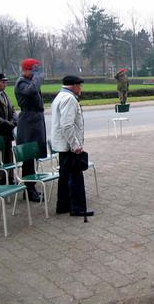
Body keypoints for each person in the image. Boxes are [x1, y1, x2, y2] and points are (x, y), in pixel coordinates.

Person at [51, 75, 93, 217]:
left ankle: (63, 205)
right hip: (69, 145)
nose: (80, 88)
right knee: (75, 177)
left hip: (62, 145)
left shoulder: (60, 96)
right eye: (79, 85)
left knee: (64, 177)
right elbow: (67, 125)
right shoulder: (69, 99)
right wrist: (75, 144)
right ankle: (77, 208)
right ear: (73, 86)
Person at [15, 58, 47, 202]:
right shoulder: (22, 82)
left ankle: (31, 188)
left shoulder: (29, 81)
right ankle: (29, 190)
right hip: (28, 124)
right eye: (33, 70)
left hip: (35, 121)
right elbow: (32, 91)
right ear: (27, 70)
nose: (36, 73)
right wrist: (37, 77)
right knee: (28, 158)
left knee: (33, 157)